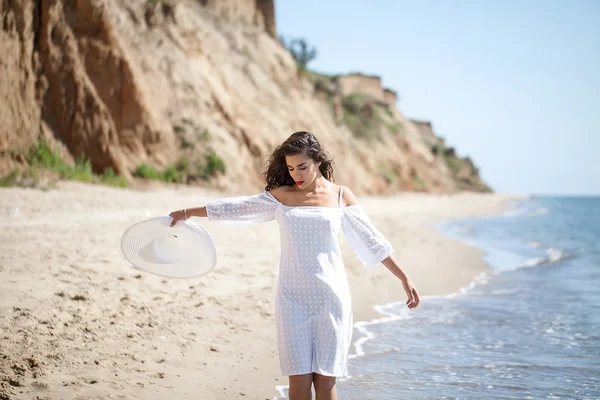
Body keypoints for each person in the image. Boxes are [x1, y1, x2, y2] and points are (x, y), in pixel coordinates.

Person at [169, 131, 420, 400]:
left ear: (318, 162)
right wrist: (188, 212)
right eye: (291, 168)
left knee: (325, 384)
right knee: (298, 385)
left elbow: (372, 240)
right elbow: (238, 207)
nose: (296, 174)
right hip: (292, 300)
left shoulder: (340, 196)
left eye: (302, 167)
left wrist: (403, 277)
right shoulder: (282, 196)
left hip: (331, 298)